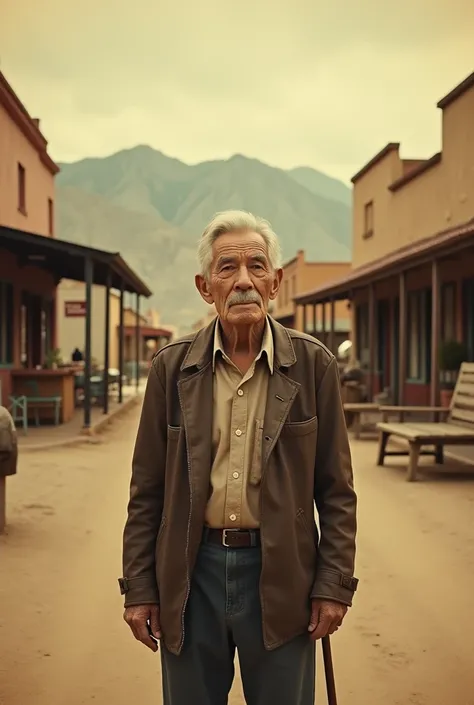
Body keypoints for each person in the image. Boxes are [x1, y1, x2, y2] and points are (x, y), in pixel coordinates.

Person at [120, 210, 358, 705]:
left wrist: (333, 585)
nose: (244, 280)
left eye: (256, 266)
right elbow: (147, 491)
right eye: (228, 268)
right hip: (191, 574)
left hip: (283, 575)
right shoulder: (171, 367)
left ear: (276, 282)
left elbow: (336, 492)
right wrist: (140, 587)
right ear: (206, 287)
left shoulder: (314, 364)